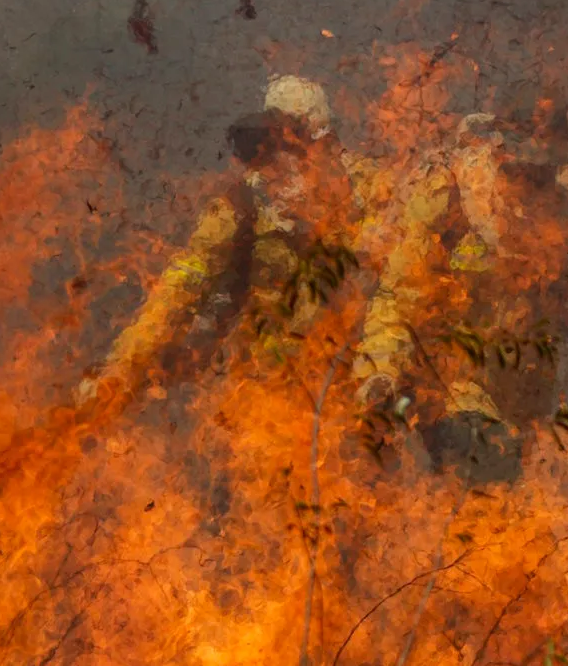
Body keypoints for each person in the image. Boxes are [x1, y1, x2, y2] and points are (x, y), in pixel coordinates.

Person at [351, 83, 568, 481]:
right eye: (524, 168)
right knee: (480, 466)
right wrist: (381, 370)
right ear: (501, 150)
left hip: (528, 392)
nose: (532, 181)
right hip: (453, 386)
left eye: (544, 170)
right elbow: (400, 293)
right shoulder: (454, 194)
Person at [75, 74, 359, 413]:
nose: (288, 157)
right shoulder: (241, 205)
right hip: (263, 387)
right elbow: (182, 285)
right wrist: (123, 365)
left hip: (344, 382)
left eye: (300, 142)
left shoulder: (363, 192)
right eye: (278, 142)